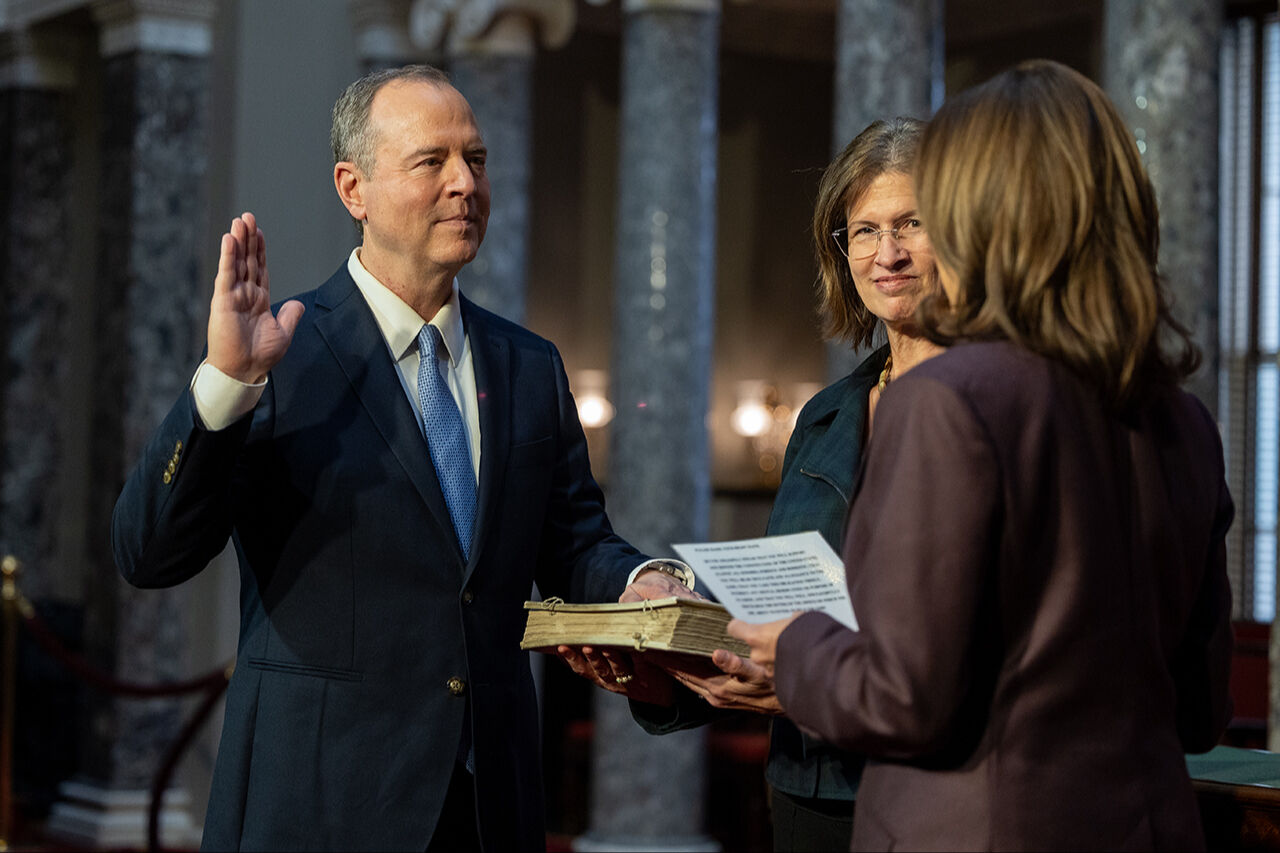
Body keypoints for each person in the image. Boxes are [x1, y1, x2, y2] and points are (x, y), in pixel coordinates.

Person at [111, 64, 693, 852]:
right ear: (354, 188)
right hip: (320, 808)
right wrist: (224, 384)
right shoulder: (280, 356)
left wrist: (637, 581)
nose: (465, 184)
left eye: (476, 159)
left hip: (490, 808)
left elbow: (575, 542)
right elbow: (148, 552)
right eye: (432, 161)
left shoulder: (529, 365)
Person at [732, 59, 1234, 851]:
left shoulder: (949, 399)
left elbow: (902, 698)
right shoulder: (1185, 420)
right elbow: (1201, 709)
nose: (895, 248)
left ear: (982, 207)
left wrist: (791, 645)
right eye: (866, 229)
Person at [558, 118, 942, 851]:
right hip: (808, 791)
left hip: (932, 788)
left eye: (911, 224)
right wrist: (663, 671)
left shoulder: (998, 408)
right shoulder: (823, 420)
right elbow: (781, 615)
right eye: (864, 231)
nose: (887, 253)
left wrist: (809, 682)